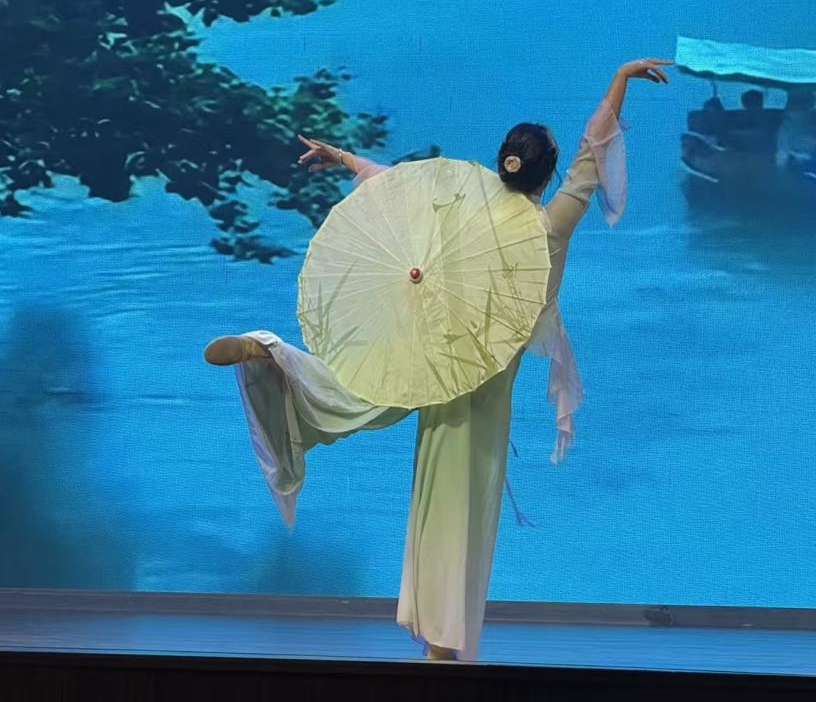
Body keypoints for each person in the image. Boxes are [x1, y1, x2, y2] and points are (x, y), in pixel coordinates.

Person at [204, 57, 672, 661]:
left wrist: (342, 157)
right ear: (546, 170)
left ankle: (276, 357)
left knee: (359, 396)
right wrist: (620, 79)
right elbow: (591, 159)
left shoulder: (468, 212)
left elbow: (394, 188)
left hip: (435, 360)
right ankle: (443, 645)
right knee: (460, 508)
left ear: (504, 162)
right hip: (482, 387)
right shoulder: (546, 228)